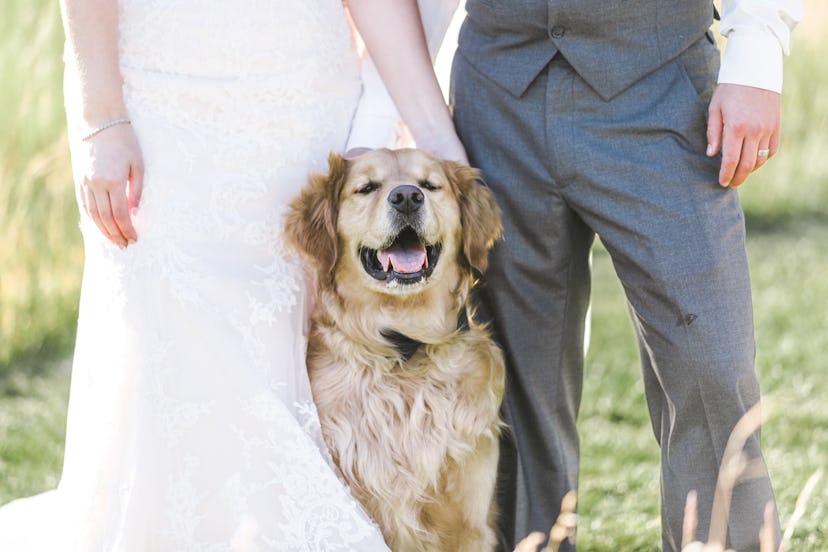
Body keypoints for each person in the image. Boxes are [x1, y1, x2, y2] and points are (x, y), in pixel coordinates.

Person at [0, 0, 465, 549]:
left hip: (303, 106)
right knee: (165, 341)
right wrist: (100, 119)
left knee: (283, 360)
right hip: (154, 105)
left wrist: (436, 137)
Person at [448, 0, 801, 551]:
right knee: (512, 379)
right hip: (496, 92)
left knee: (711, 361)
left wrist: (757, 49)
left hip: (662, 82)